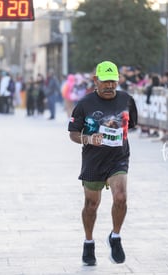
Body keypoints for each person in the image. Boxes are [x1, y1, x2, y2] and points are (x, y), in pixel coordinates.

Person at [68, 61, 138, 266]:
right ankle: (88, 243)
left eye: (113, 82)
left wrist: (116, 133)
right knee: (91, 205)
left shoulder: (127, 100)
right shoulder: (84, 104)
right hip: (93, 160)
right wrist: (89, 139)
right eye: (105, 82)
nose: (109, 86)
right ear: (96, 80)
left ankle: (115, 237)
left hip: (118, 158)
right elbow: (72, 133)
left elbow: (130, 125)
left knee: (121, 197)